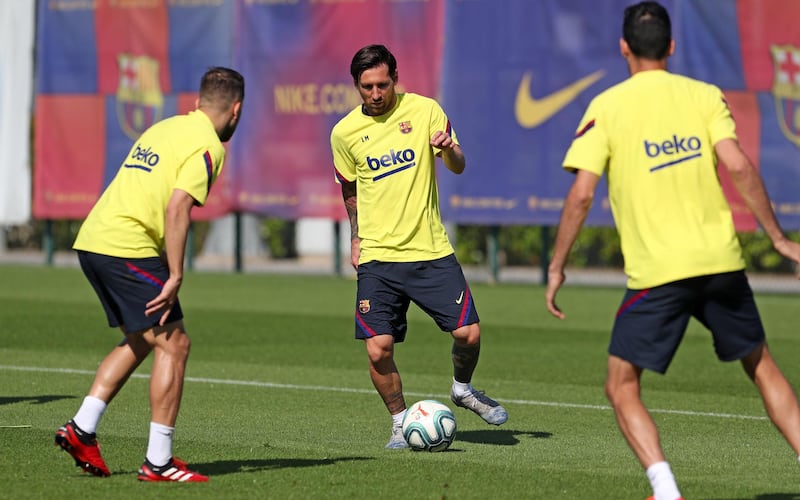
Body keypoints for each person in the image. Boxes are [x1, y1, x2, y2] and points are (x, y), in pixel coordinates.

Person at [545, 2, 800, 499]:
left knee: (621, 386)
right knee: (762, 365)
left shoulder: (606, 106)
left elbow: (580, 194)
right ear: (672, 47)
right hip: (721, 263)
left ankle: (665, 490)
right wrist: (778, 238)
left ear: (623, 48)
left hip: (659, 274)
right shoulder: (704, 95)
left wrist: (556, 267)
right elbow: (741, 166)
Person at [54, 66, 244, 482]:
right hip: (128, 247)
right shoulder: (209, 145)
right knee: (175, 344)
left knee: (144, 338)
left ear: (197, 103)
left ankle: (82, 428)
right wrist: (175, 273)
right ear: (236, 109)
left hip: (94, 240)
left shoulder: (167, 127)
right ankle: (158, 461)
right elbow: (178, 207)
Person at [330, 44, 508, 449]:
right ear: (356, 85)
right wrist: (356, 237)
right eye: (366, 87)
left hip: (429, 250)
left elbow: (459, 163)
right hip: (379, 256)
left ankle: (463, 389)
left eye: (382, 84)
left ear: (395, 77)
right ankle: (398, 422)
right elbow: (350, 190)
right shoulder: (344, 133)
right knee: (379, 349)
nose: (375, 94)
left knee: (469, 334)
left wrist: (449, 149)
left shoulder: (426, 109)